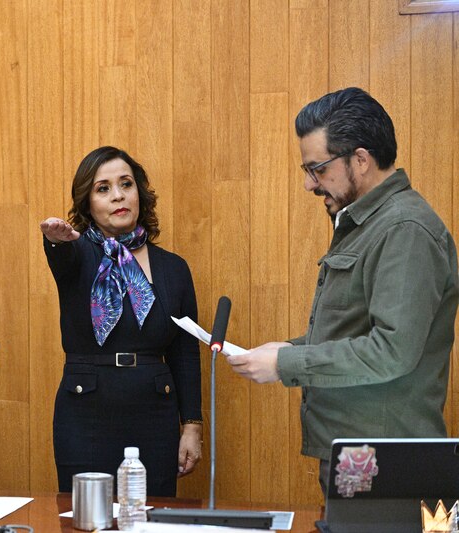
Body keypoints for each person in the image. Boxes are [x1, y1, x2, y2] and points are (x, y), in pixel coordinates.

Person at [226, 87, 459, 495]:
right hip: (361, 454)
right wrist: (287, 348)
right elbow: (356, 331)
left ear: (361, 160)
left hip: (388, 461)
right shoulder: (369, 223)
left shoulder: (405, 230)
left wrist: (288, 363)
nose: (308, 184)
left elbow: (392, 351)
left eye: (317, 169)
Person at [40, 146, 202, 497]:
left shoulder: (174, 268)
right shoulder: (77, 252)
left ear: (139, 193)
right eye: (103, 188)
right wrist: (54, 241)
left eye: (125, 184)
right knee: (83, 519)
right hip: (85, 413)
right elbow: (61, 255)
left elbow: (185, 354)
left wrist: (191, 427)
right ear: (88, 204)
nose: (117, 196)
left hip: (154, 413)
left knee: (150, 521)